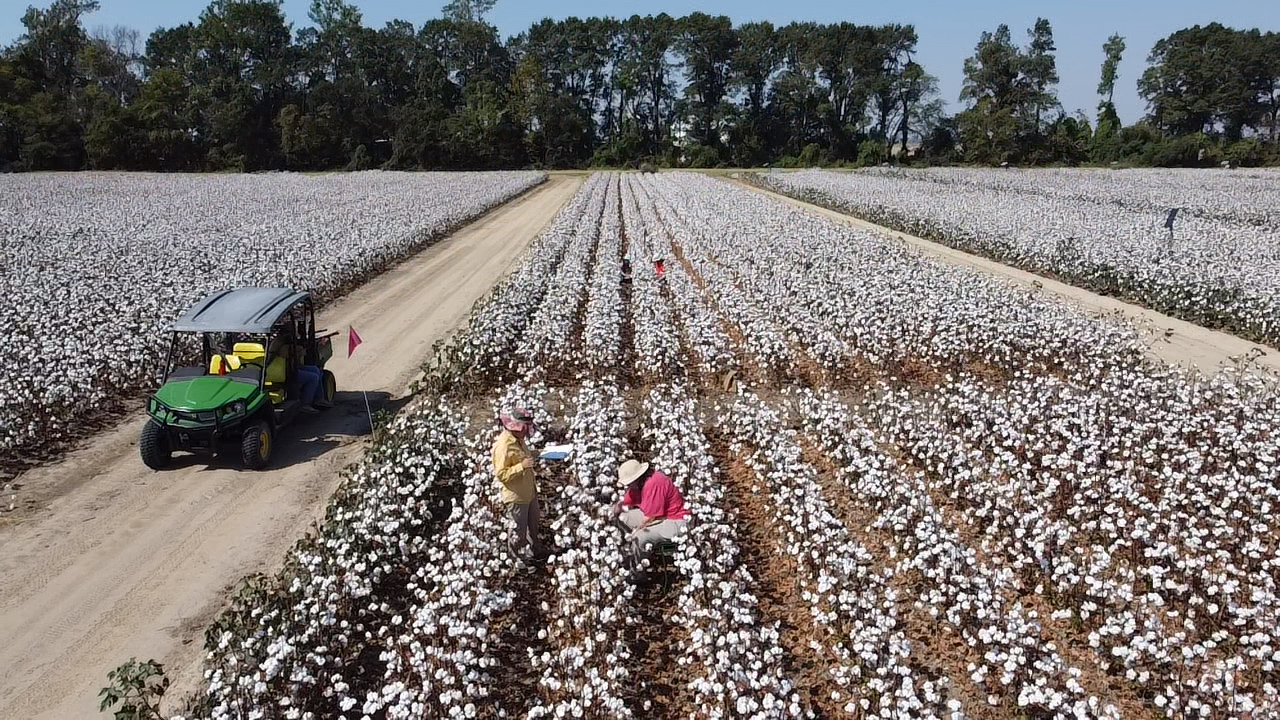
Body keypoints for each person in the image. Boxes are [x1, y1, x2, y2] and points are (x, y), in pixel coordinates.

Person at [492, 407, 547, 563]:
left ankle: (535, 552)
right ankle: (518, 560)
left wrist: (540, 453)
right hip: (516, 497)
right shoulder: (504, 446)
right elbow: (501, 474)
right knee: (518, 531)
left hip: (529, 491)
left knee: (533, 525)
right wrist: (521, 466)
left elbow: (525, 456)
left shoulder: (519, 439)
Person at [611, 459, 690, 557]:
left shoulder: (654, 483)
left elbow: (650, 518)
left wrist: (635, 532)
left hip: (675, 520)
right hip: (658, 516)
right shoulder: (639, 484)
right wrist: (616, 508)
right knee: (623, 519)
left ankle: (636, 567)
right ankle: (622, 553)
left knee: (639, 538)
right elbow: (628, 500)